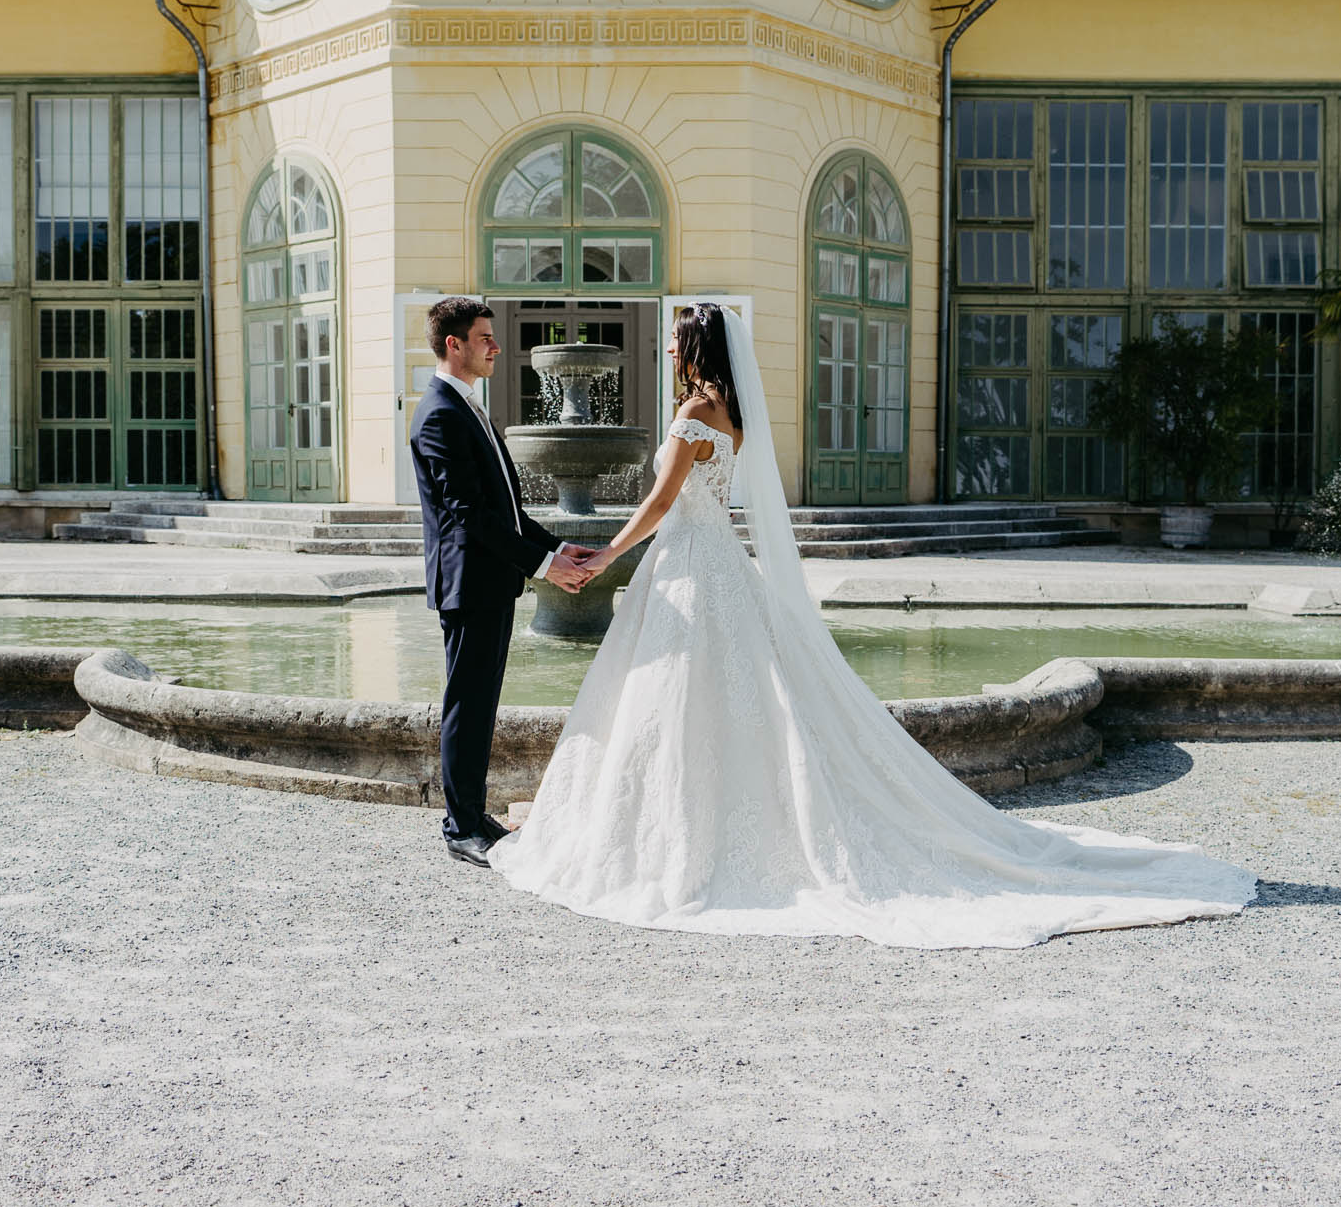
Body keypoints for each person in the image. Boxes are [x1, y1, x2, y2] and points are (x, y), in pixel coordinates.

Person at [490, 302, 1255, 947]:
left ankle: (668, 839)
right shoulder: (735, 413)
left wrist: (606, 556)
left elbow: (660, 505)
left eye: (672, 339)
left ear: (693, 348)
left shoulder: (694, 410)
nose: (664, 348)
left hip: (689, 565)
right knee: (735, 696)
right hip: (719, 562)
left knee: (675, 697)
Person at [406, 296, 597, 867]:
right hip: (468, 584)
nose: (495, 345)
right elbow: (469, 513)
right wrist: (544, 569)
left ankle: (473, 812)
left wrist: (558, 546)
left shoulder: (469, 407)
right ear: (453, 345)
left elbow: (507, 509)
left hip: (489, 582)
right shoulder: (440, 412)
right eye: (484, 337)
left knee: (482, 702)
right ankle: (460, 827)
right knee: (466, 703)